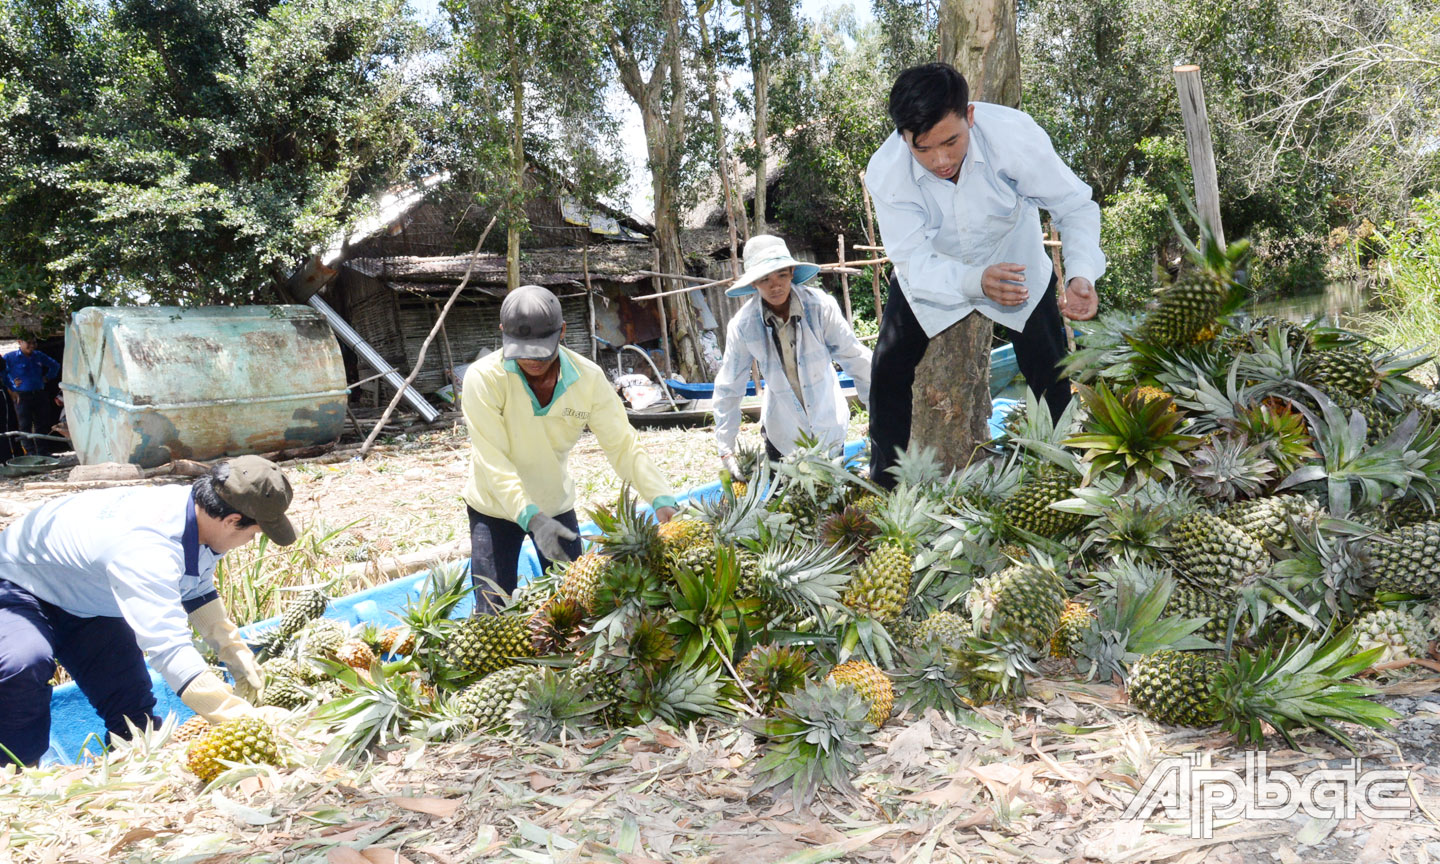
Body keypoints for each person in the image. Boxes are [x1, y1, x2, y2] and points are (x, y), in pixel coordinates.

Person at [864, 62, 1105, 489]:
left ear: (970, 116)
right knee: (887, 370)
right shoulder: (886, 173)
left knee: (1049, 368)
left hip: (1012, 254)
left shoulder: (1014, 136)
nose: (940, 160)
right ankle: (886, 488)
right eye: (923, 149)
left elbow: (1074, 205)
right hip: (935, 268)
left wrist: (1081, 273)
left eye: (951, 141)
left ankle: (1064, 476)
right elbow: (912, 262)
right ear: (903, 137)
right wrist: (972, 280)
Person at [0, 456, 295, 767]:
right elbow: (167, 647)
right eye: (253, 534)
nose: (249, 542)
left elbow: (195, 588)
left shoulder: (200, 515)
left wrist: (234, 652)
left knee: (133, 716)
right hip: (18, 585)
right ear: (233, 520)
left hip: (88, 596)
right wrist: (233, 714)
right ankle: (15, 774)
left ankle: (127, 767)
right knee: (22, 664)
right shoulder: (146, 547)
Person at [461, 285, 680, 614]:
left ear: (561, 332)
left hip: (554, 504)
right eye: (523, 350)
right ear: (503, 333)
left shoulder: (588, 379)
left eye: (542, 349)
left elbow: (622, 443)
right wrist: (531, 518)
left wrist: (660, 497)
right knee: (492, 614)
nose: (533, 360)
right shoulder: (484, 378)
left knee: (576, 610)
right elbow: (494, 462)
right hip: (494, 510)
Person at [713, 234, 873, 473]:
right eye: (765, 279)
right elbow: (730, 384)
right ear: (754, 283)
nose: (775, 285)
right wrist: (726, 446)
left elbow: (856, 360)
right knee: (789, 506)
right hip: (782, 432)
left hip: (828, 423)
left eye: (781, 275)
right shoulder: (744, 326)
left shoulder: (820, 308)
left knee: (834, 501)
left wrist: (878, 414)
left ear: (791, 273)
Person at [4, 336, 61, 456]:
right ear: (19, 342)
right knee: (25, 425)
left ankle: (43, 452)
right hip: (22, 396)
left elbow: (55, 365)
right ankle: (30, 453)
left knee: (42, 424)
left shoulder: (38, 355)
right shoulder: (10, 357)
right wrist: (11, 383)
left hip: (39, 394)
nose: (32, 345)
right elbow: (3, 373)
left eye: (34, 342)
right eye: (28, 342)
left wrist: (47, 377)